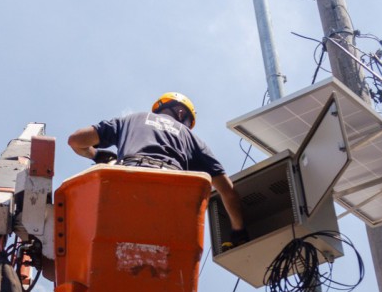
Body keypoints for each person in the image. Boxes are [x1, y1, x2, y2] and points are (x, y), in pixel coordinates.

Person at [66, 92, 247, 246]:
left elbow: (76, 140)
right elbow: (227, 191)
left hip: (125, 187)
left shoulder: (131, 119)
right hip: (170, 197)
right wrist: (238, 230)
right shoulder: (190, 138)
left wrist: (96, 155)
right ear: (181, 112)